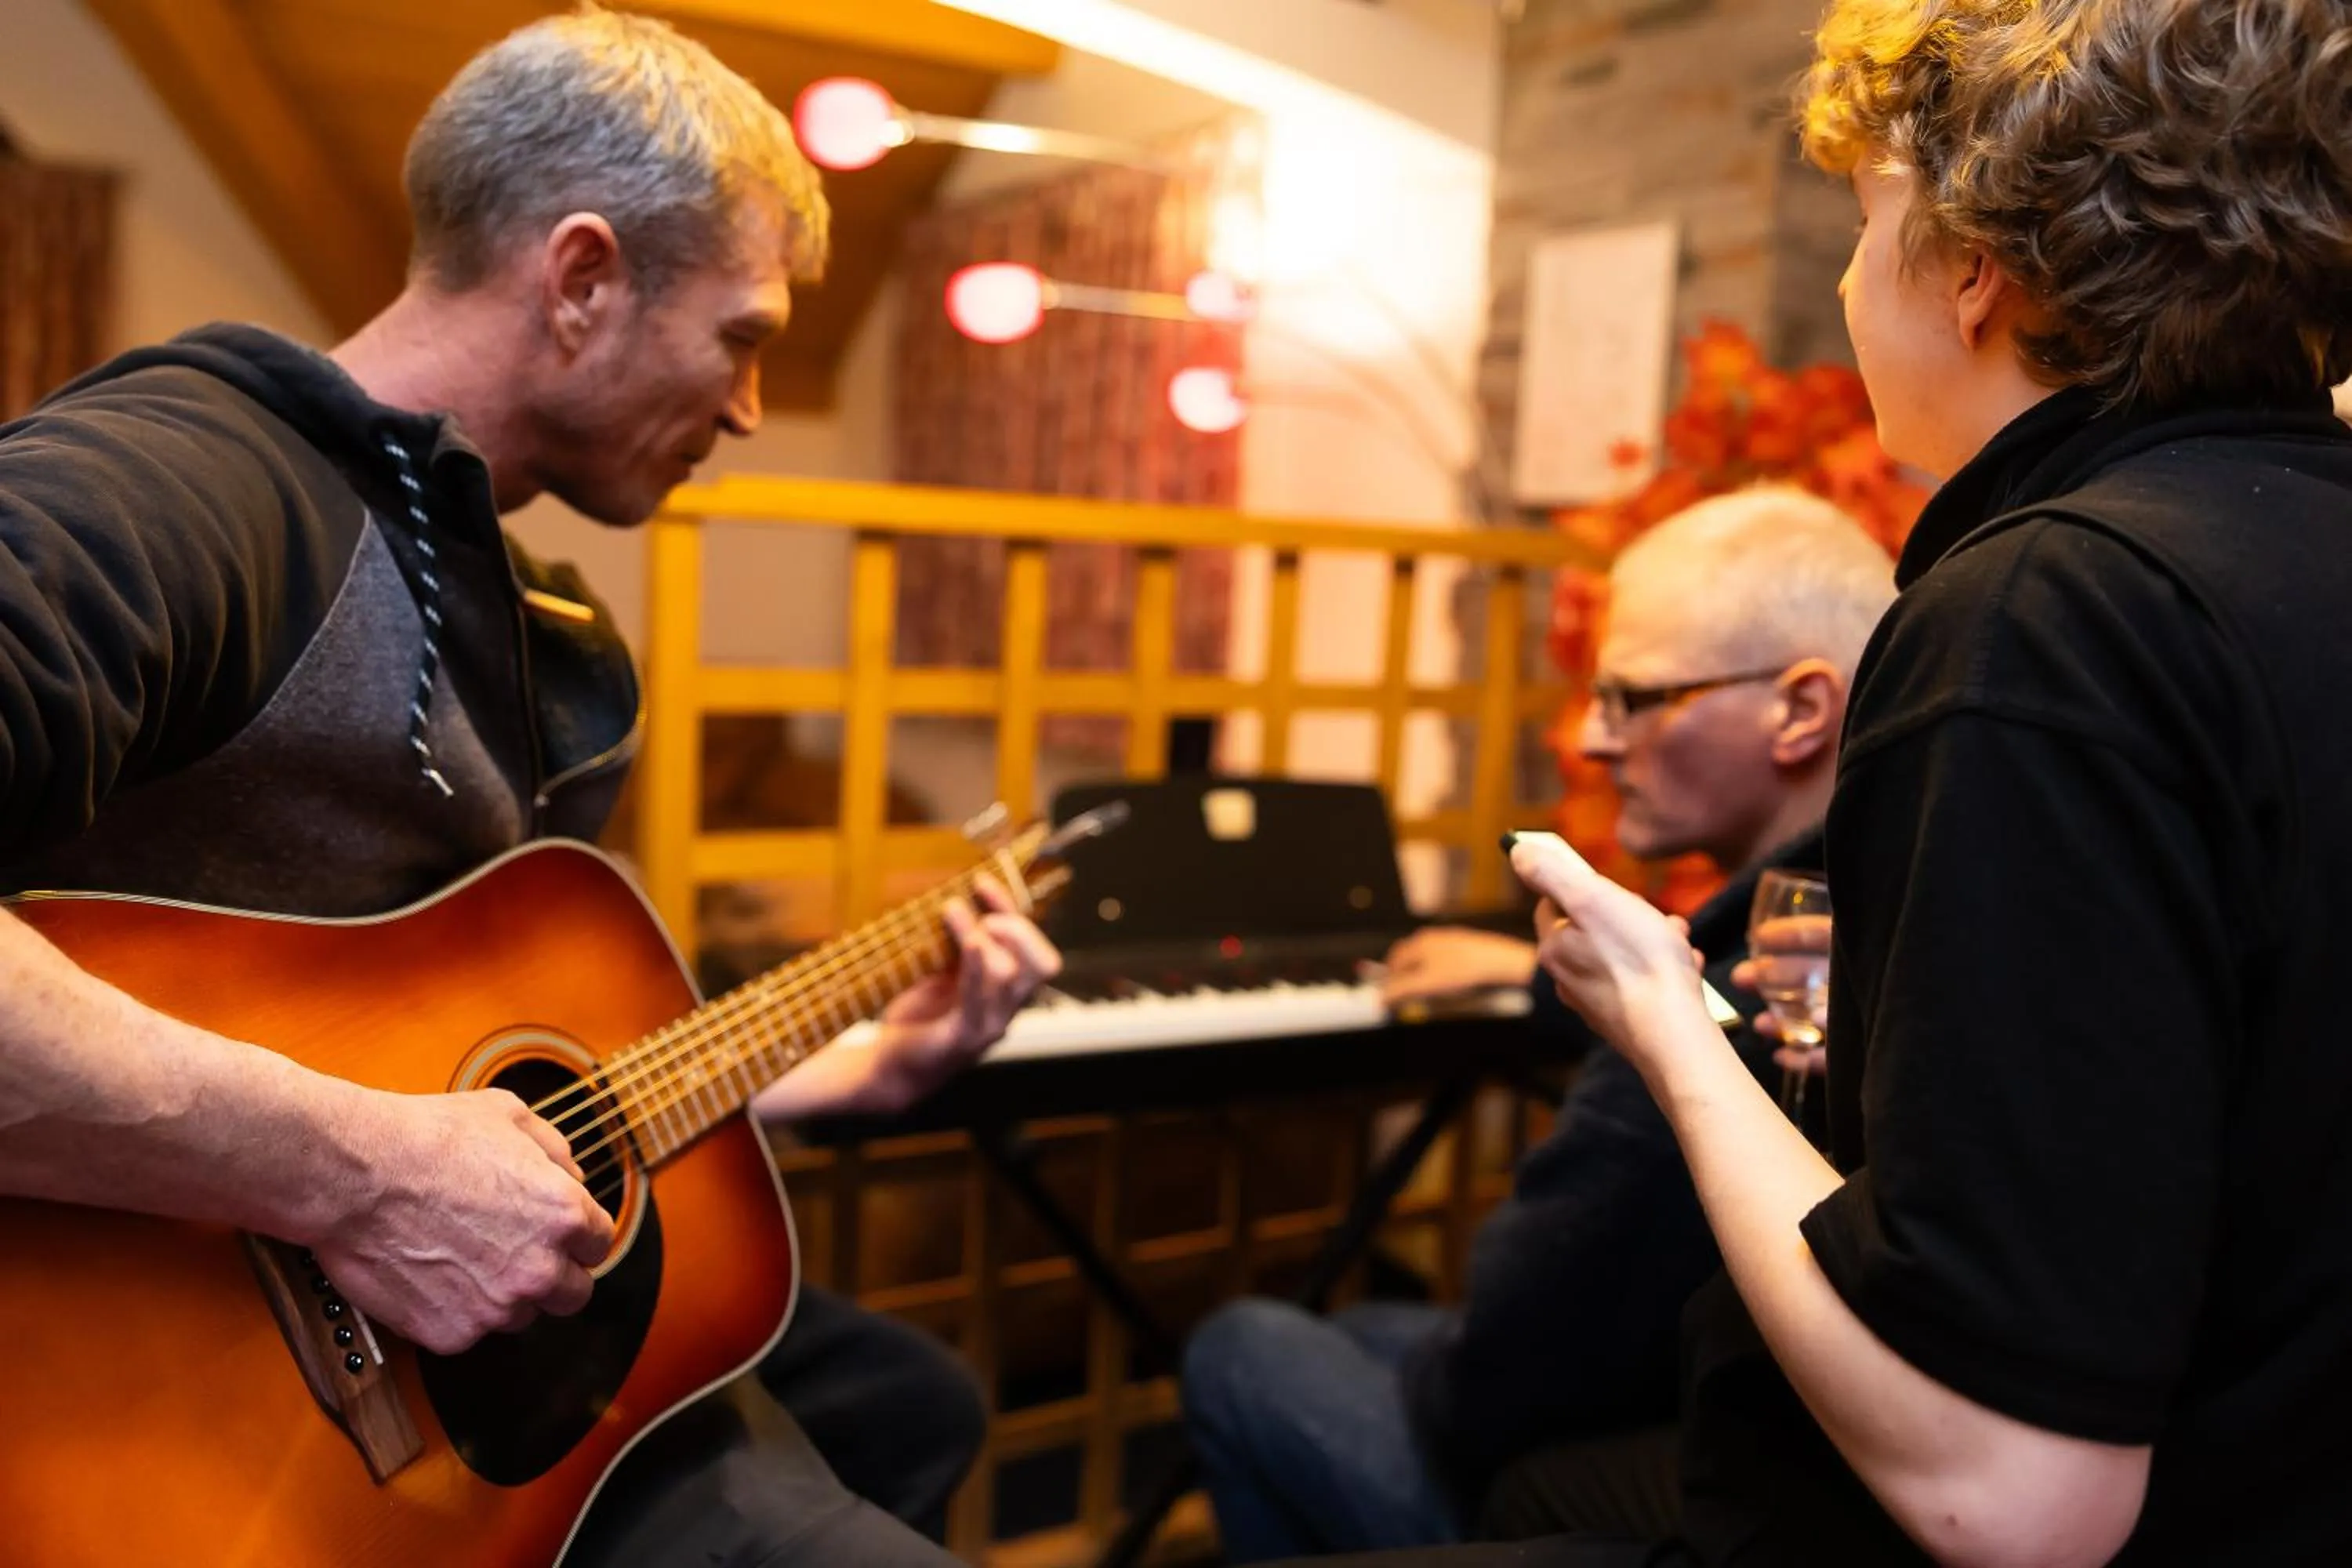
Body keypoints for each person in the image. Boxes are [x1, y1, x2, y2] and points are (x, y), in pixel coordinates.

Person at [1299, 0, 2352, 1563]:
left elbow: (2009, 1491)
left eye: (1865, 226)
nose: (1852, 284)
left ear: (1974, 264)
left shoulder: (2045, 619)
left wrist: (1667, 1014)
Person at [0, 11, 1057, 1565]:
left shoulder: (553, 633)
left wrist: (840, 1073)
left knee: (908, 1399)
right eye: (745, 336)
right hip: (155, 1416)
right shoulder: (180, 494)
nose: (753, 408)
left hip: (455, 1382)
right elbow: (403, 1144)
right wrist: (358, 1176)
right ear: (581, 279)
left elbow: (493, 1078)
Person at [1180, 488, 1895, 1560]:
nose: (1592, 740)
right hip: (1707, 1420)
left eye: (1630, 697)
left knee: (1241, 1344)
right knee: (1369, 1327)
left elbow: (1500, 1375)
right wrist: (1538, 975)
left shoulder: (1738, 1012)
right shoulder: (1877, 910)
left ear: (1800, 712)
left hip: (1649, 1477)